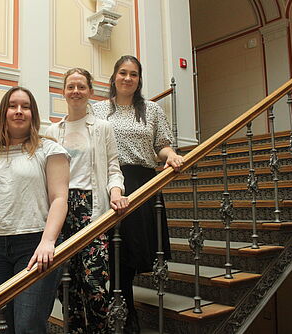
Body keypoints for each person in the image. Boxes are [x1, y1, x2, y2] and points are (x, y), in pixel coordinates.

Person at [0, 86, 70, 334]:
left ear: (33, 114)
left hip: (34, 246)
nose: (19, 111)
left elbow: (59, 198)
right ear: (3, 112)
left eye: (25, 106)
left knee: (28, 326)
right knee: (4, 325)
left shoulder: (50, 150)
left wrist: (48, 241)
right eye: (13, 106)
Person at [92, 55, 185, 334]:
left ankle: (123, 306)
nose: (128, 78)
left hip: (142, 183)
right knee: (111, 246)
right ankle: (122, 307)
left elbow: (162, 146)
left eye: (133, 74)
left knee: (130, 249)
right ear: (114, 77)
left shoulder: (153, 110)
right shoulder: (97, 110)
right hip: (108, 181)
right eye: (123, 72)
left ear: (139, 80)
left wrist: (172, 156)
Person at [45, 68, 129, 334]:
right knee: (65, 282)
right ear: (63, 92)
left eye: (81, 87)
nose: (76, 92)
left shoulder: (102, 128)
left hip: (91, 208)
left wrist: (116, 191)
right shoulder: (52, 130)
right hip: (60, 206)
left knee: (93, 282)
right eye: (71, 87)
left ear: (90, 91)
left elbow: (113, 167)